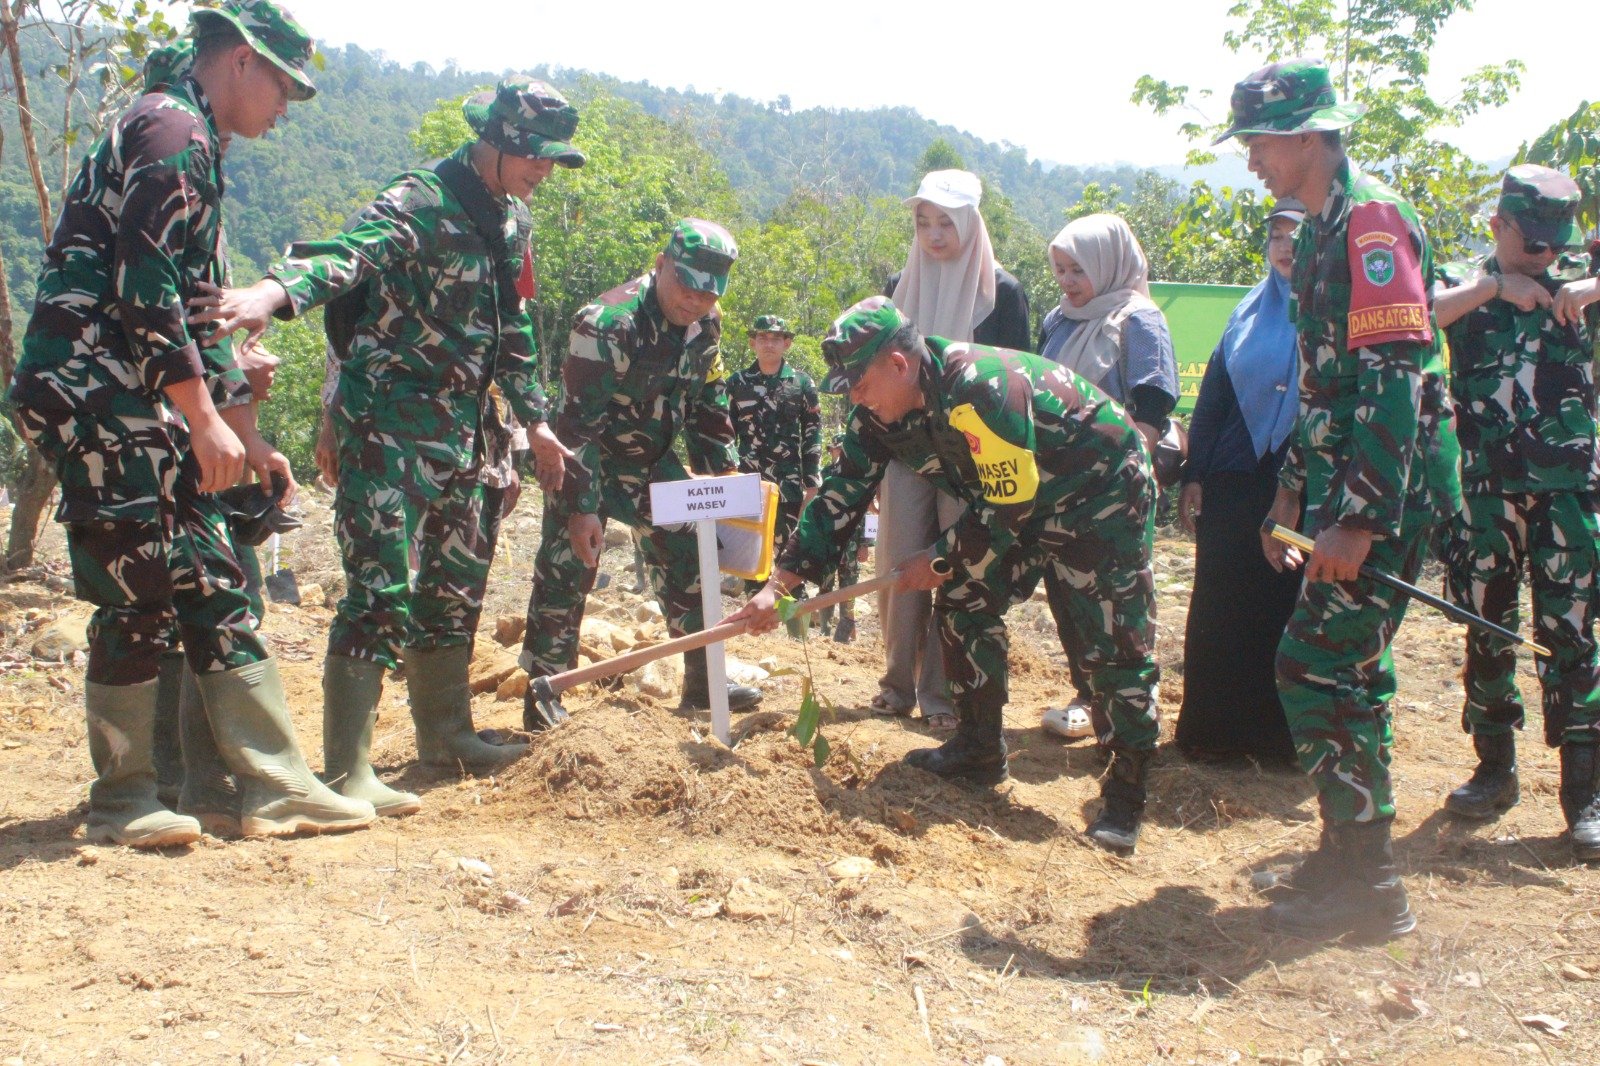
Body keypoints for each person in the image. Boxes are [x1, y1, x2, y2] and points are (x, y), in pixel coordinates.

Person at [7, 0, 375, 845]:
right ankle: (124, 799)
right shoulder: (171, 129)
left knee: (211, 574)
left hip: (141, 395)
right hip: (97, 392)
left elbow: (199, 305)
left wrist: (244, 431)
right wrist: (203, 417)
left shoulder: (196, 140)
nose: (285, 110)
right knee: (137, 589)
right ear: (241, 59)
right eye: (283, 87)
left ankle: (276, 786)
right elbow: (145, 287)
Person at [196, 77, 586, 806]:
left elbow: (515, 326)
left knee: (454, 589)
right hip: (390, 428)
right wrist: (273, 293)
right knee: (379, 591)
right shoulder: (421, 199)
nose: (543, 170)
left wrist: (534, 420)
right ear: (496, 141)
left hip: (468, 434)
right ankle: (350, 769)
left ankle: (446, 735)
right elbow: (348, 254)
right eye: (535, 154)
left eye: (552, 159)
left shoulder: (512, 221)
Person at [730, 297, 1161, 853]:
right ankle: (978, 750)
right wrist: (778, 586)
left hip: (1098, 491)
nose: (854, 398)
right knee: (962, 599)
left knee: (1112, 637)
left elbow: (1007, 507)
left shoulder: (982, 389)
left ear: (898, 364)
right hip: (1014, 501)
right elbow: (840, 495)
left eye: (859, 384)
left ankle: (1126, 795)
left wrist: (935, 558)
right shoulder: (877, 413)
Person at [1226, 58, 1462, 940]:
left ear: (1305, 136)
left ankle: (1371, 886)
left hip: (1384, 490)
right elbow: (1325, 383)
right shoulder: (1323, 226)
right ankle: (1347, 854)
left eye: (1259, 141)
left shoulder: (1372, 223)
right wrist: (1294, 493)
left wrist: (1357, 518)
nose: (1252, 159)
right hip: (1343, 480)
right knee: (1352, 670)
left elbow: (1397, 376)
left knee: (1315, 665)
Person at [518, 220, 764, 721]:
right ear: (661, 264)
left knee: (691, 555)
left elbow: (707, 401)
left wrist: (725, 479)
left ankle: (704, 683)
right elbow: (575, 427)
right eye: (686, 286)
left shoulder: (706, 324)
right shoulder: (608, 323)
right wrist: (581, 509)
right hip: (588, 463)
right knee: (568, 569)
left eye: (708, 293)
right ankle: (544, 693)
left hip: (652, 461)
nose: (694, 301)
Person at [1433, 164, 1600, 860]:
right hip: (1485, 494)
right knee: (1486, 629)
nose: (1545, 255)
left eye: (1556, 244)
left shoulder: (1578, 283)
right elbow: (1413, 318)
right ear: (1497, 224)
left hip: (1569, 494)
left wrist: (1592, 286)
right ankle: (1494, 769)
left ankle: (1585, 796)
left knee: (1574, 636)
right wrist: (1495, 288)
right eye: (1532, 243)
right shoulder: (1462, 284)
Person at [876, 169, 1030, 731]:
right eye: (923, 222)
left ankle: (940, 694)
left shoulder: (1002, 294)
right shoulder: (899, 287)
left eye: (946, 222)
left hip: (971, 459)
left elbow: (1015, 382)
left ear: (970, 222)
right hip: (907, 450)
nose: (934, 234)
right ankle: (896, 683)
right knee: (899, 560)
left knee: (954, 566)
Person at [1174, 199, 1307, 762]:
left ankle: (1276, 742)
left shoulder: (1339, 310)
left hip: (1303, 487)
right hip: (1234, 480)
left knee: (1284, 605)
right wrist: (1195, 474)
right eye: (1277, 235)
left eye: (1298, 236)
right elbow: (1214, 399)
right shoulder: (1248, 313)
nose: (1285, 247)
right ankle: (1211, 736)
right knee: (1220, 603)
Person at [1037, 213, 1179, 741]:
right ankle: (1087, 690)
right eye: (1060, 270)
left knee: (1115, 596)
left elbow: (1152, 404)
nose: (1068, 281)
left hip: (1112, 485)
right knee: (1065, 589)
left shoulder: (1137, 320)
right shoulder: (1059, 320)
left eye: (1079, 269)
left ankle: (1126, 709)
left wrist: (1124, 478)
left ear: (1108, 263)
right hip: (1058, 482)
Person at [728, 315, 822, 604]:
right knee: (751, 556)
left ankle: (792, 618)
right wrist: (727, 474)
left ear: (787, 343)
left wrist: (812, 484)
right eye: (762, 338)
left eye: (776, 338)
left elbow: (812, 435)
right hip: (749, 484)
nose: (769, 344)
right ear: (752, 343)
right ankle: (754, 616)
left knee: (790, 556)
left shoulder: (802, 384)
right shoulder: (737, 383)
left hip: (788, 485)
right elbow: (725, 433)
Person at [815, 433, 876, 644]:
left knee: (848, 590)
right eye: (835, 450)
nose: (838, 454)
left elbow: (869, 512)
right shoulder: (824, 475)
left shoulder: (860, 475)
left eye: (842, 450)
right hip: (829, 542)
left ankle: (843, 638)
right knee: (825, 586)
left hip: (852, 543)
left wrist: (866, 544)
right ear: (831, 452)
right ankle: (824, 634)